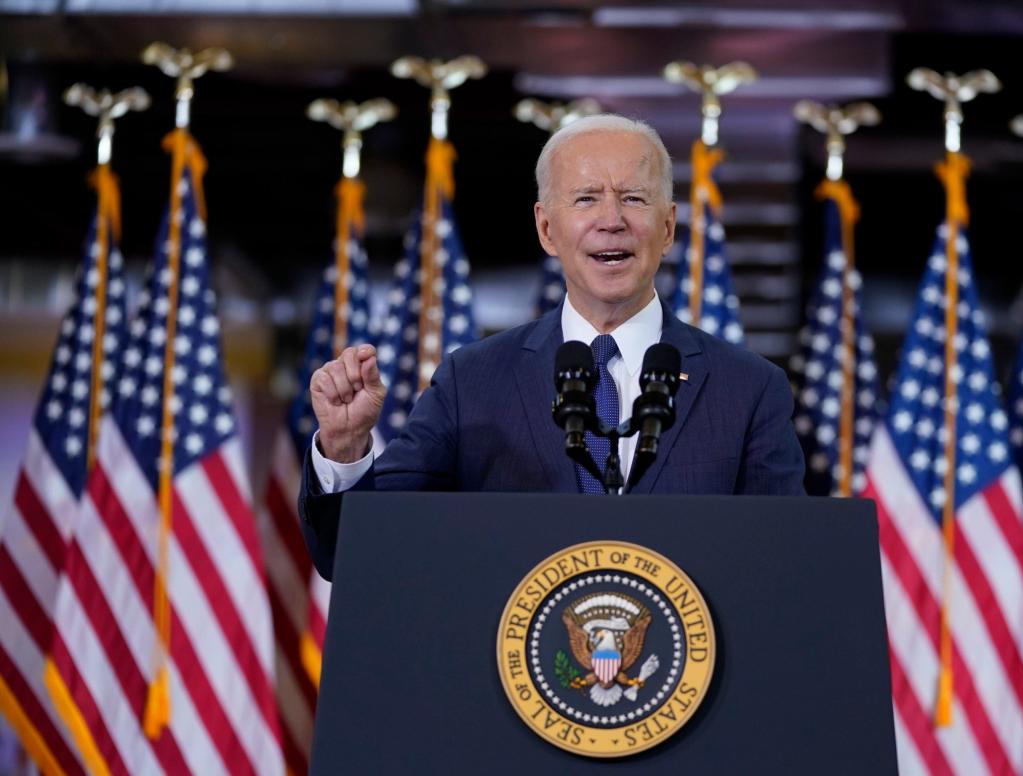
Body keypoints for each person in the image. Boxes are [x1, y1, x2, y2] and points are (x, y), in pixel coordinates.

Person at [300, 114, 804, 579]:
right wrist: (345, 450)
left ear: (668, 227)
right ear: (547, 228)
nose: (612, 219)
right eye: (586, 198)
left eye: (633, 198)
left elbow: (785, 564)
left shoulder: (749, 389)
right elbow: (355, 554)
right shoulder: (473, 382)